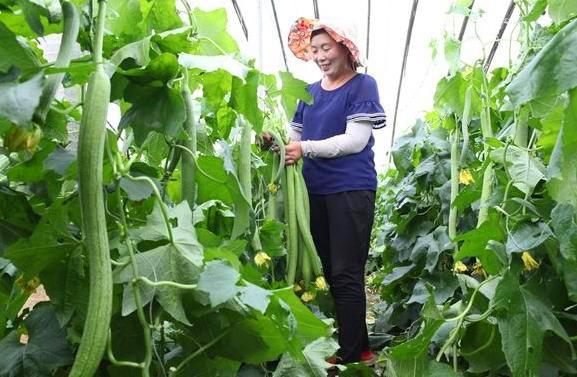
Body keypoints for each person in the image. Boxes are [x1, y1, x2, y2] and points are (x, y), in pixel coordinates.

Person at [284, 18, 386, 365]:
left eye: (326, 48)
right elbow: (294, 141)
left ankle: (353, 355)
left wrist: (305, 149)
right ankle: (361, 346)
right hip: (314, 191)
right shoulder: (308, 92)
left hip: (350, 188)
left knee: (346, 271)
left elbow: (355, 140)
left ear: (345, 48)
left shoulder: (362, 85)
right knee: (330, 271)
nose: (320, 56)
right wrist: (275, 144)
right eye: (314, 50)